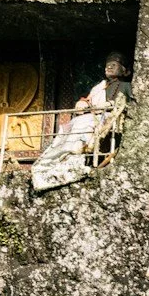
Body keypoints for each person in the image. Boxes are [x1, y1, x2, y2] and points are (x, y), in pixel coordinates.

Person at [30, 53, 130, 192]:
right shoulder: (100, 86)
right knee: (71, 125)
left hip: (108, 117)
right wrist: (83, 103)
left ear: (125, 71)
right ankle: (59, 155)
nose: (109, 67)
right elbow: (88, 100)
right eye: (108, 65)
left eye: (114, 65)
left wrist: (113, 105)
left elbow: (129, 104)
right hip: (93, 115)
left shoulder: (126, 86)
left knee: (84, 123)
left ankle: (74, 151)